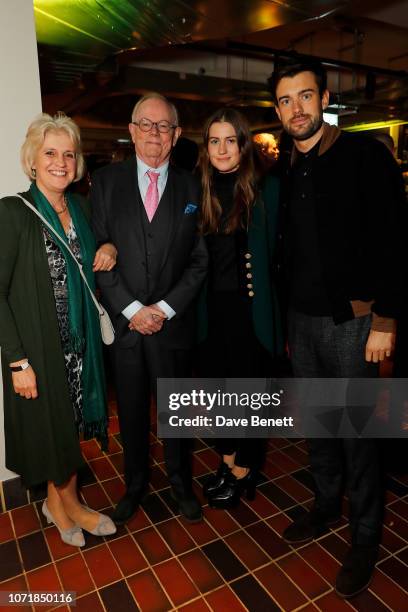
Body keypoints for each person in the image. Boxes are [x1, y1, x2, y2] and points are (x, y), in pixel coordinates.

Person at [269, 58, 406, 598]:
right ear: (277, 110)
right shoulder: (284, 169)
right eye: (285, 100)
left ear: (324, 97)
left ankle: (367, 534)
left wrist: (385, 320)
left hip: (355, 324)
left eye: (305, 96)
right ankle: (326, 506)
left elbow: (397, 241)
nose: (296, 108)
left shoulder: (364, 156)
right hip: (301, 325)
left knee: (357, 436)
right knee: (321, 429)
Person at [0, 112, 118, 547]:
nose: (60, 162)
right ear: (33, 161)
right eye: (50, 153)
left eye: (68, 154)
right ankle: (61, 505)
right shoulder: (12, 212)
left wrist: (106, 246)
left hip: (79, 346)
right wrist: (17, 360)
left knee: (67, 428)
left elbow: (99, 250)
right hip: (38, 347)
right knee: (52, 431)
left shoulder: (82, 210)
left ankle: (66, 502)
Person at [90, 93, 208, 525]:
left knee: (176, 411)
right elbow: (97, 256)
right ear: (131, 130)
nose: (154, 133)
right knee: (134, 411)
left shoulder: (193, 188)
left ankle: (180, 482)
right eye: (146, 123)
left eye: (164, 126)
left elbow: (199, 261)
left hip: (171, 325)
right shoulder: (104, 183)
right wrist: (133, 309)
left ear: (176, 135)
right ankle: (134, 484)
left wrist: (164, 308)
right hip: (126, 326)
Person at [197, 108, 283, 509]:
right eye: (215, 141)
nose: (222, 148)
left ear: (243, 144)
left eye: (230, 140)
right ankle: (228, 460)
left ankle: (245, 468)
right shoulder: (199, 190)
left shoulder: (267, 188)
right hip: (212, 312)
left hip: (250, 313)